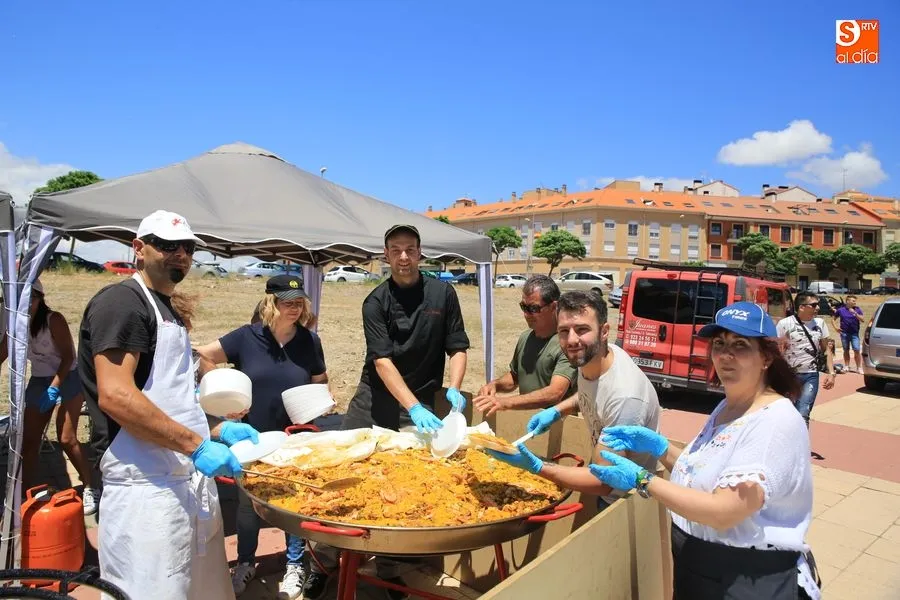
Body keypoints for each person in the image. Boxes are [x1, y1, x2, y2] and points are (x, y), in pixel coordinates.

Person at [78, 210, 259, 600]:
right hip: (144, 492)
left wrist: (216, 428)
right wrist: (196, 446)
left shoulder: (167, 309)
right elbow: (117, 395)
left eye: (187, 247)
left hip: (181, 483)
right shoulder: (122, 303)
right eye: (166, 245)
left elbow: (169, 400)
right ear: (139, 248)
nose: (179, 254)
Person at [589, 302, 819, 599]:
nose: (726, 355)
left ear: (765, 358)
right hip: (702, 570)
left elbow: (724, 512)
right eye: (719, 344)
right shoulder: (729, 406)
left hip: (746, 580)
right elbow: (699, 474)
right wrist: (660, 448)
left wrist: (643, 480)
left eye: (741, 345)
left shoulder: (774, 421)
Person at [304, 224, 470, 600]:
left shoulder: (443, 294)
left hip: (422, 400)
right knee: (347, 475)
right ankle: (323, 563)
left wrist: (455, 388)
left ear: (421, 252)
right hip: (373, 399)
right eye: (396, 250)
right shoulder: (375, 302)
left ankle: (390, 568)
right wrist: (410, 404)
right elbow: (381, 361)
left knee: (407, 482)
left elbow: (457, 346)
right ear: (386, 255)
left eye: (410, 249)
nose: (404, 257)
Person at [196, 274, 327, 599]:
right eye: (287, 303)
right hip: (249, 435)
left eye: (299, 303)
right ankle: (245, 562)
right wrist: (222, 395)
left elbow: (320, 379)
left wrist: (323, 397)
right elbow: (205, 356)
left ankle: (294, 565)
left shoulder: (309, 341)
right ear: (271, 302)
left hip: (292, 436)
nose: (294, 309)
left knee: (292, 504)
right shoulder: (247, 337)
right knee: (247, 505)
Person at [486, 290, 660, 510]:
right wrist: (557, 411)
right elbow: (590, 393)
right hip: (605, 487)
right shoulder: (595, 358)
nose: (571, 340)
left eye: (582, 330)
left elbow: (604, 482)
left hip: (624, 503)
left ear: (604, 331)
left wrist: (539, 467)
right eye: (563, 331)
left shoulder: (626, 397)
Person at [0, 279, 99, 514]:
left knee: (66, 438)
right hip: (40, 379)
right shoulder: (15, 322)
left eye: (32, 298)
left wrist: (54, 388)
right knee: (29, 441)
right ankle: (27, 492)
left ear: (39, 298)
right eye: (22, 299)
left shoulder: (52, 319)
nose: (27, 304)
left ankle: (90, 487)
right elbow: (3, 350)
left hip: (69, 377)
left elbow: (68, 356)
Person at [472, 275, 576, 417]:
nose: (526, 314)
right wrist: (495, 385)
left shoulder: (567, 343)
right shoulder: (525, 337)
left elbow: (555, 393)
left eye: (533, 308)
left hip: (557, 427)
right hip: (527, 422)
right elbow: (515, 377)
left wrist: (505, 403)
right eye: (523, 307)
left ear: (553, 307)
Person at [776, 291, 835, 427]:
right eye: (814, 305)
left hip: (811, 375)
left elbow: (826, 350)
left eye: (818, 304)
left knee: (803, 414)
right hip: (789, 376)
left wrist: (832, 374)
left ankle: (799, 447)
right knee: (786, 414)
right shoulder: (785, 324)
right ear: (802, 307)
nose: (818, 308)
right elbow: (777, 351)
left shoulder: (820, 323)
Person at [832, 294, 864, 373]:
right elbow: (833, 319)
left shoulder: (857, 309)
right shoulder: (841, 310)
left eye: (855, 301)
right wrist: (836, 328)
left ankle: (859, 368)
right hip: (844, 333)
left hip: (854, 334)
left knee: (856, 350)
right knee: (846, 350)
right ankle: (846, 366)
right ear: (848, 301)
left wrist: (855, 313)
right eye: (853, 301)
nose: (855, 302)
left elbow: (862, 320)